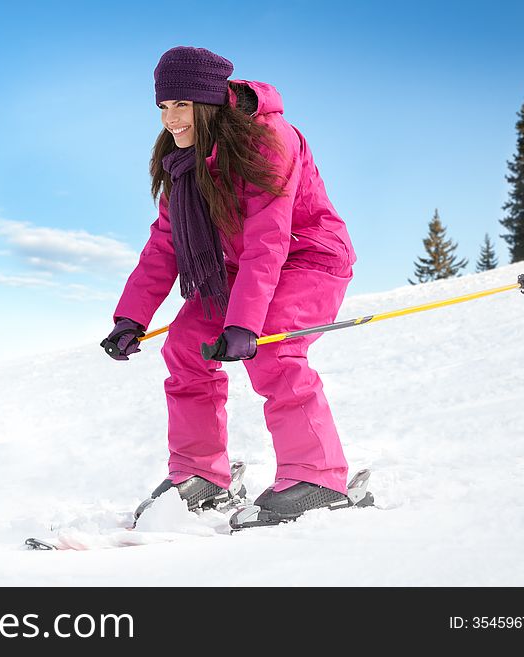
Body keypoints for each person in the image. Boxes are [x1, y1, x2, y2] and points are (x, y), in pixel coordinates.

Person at [103, 46, 360, 526]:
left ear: (209, 101)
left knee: (272, 347)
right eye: (162, 107)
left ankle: (318, 477)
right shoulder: (182, 159)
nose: (170, 119)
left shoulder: (270, 140)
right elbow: (165, 243)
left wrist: (244, 324)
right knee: (185, 347)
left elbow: (269, 236)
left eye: (181, 105)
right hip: (239, 269)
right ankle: (200, 473)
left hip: (309, 257)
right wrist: (130, 317)